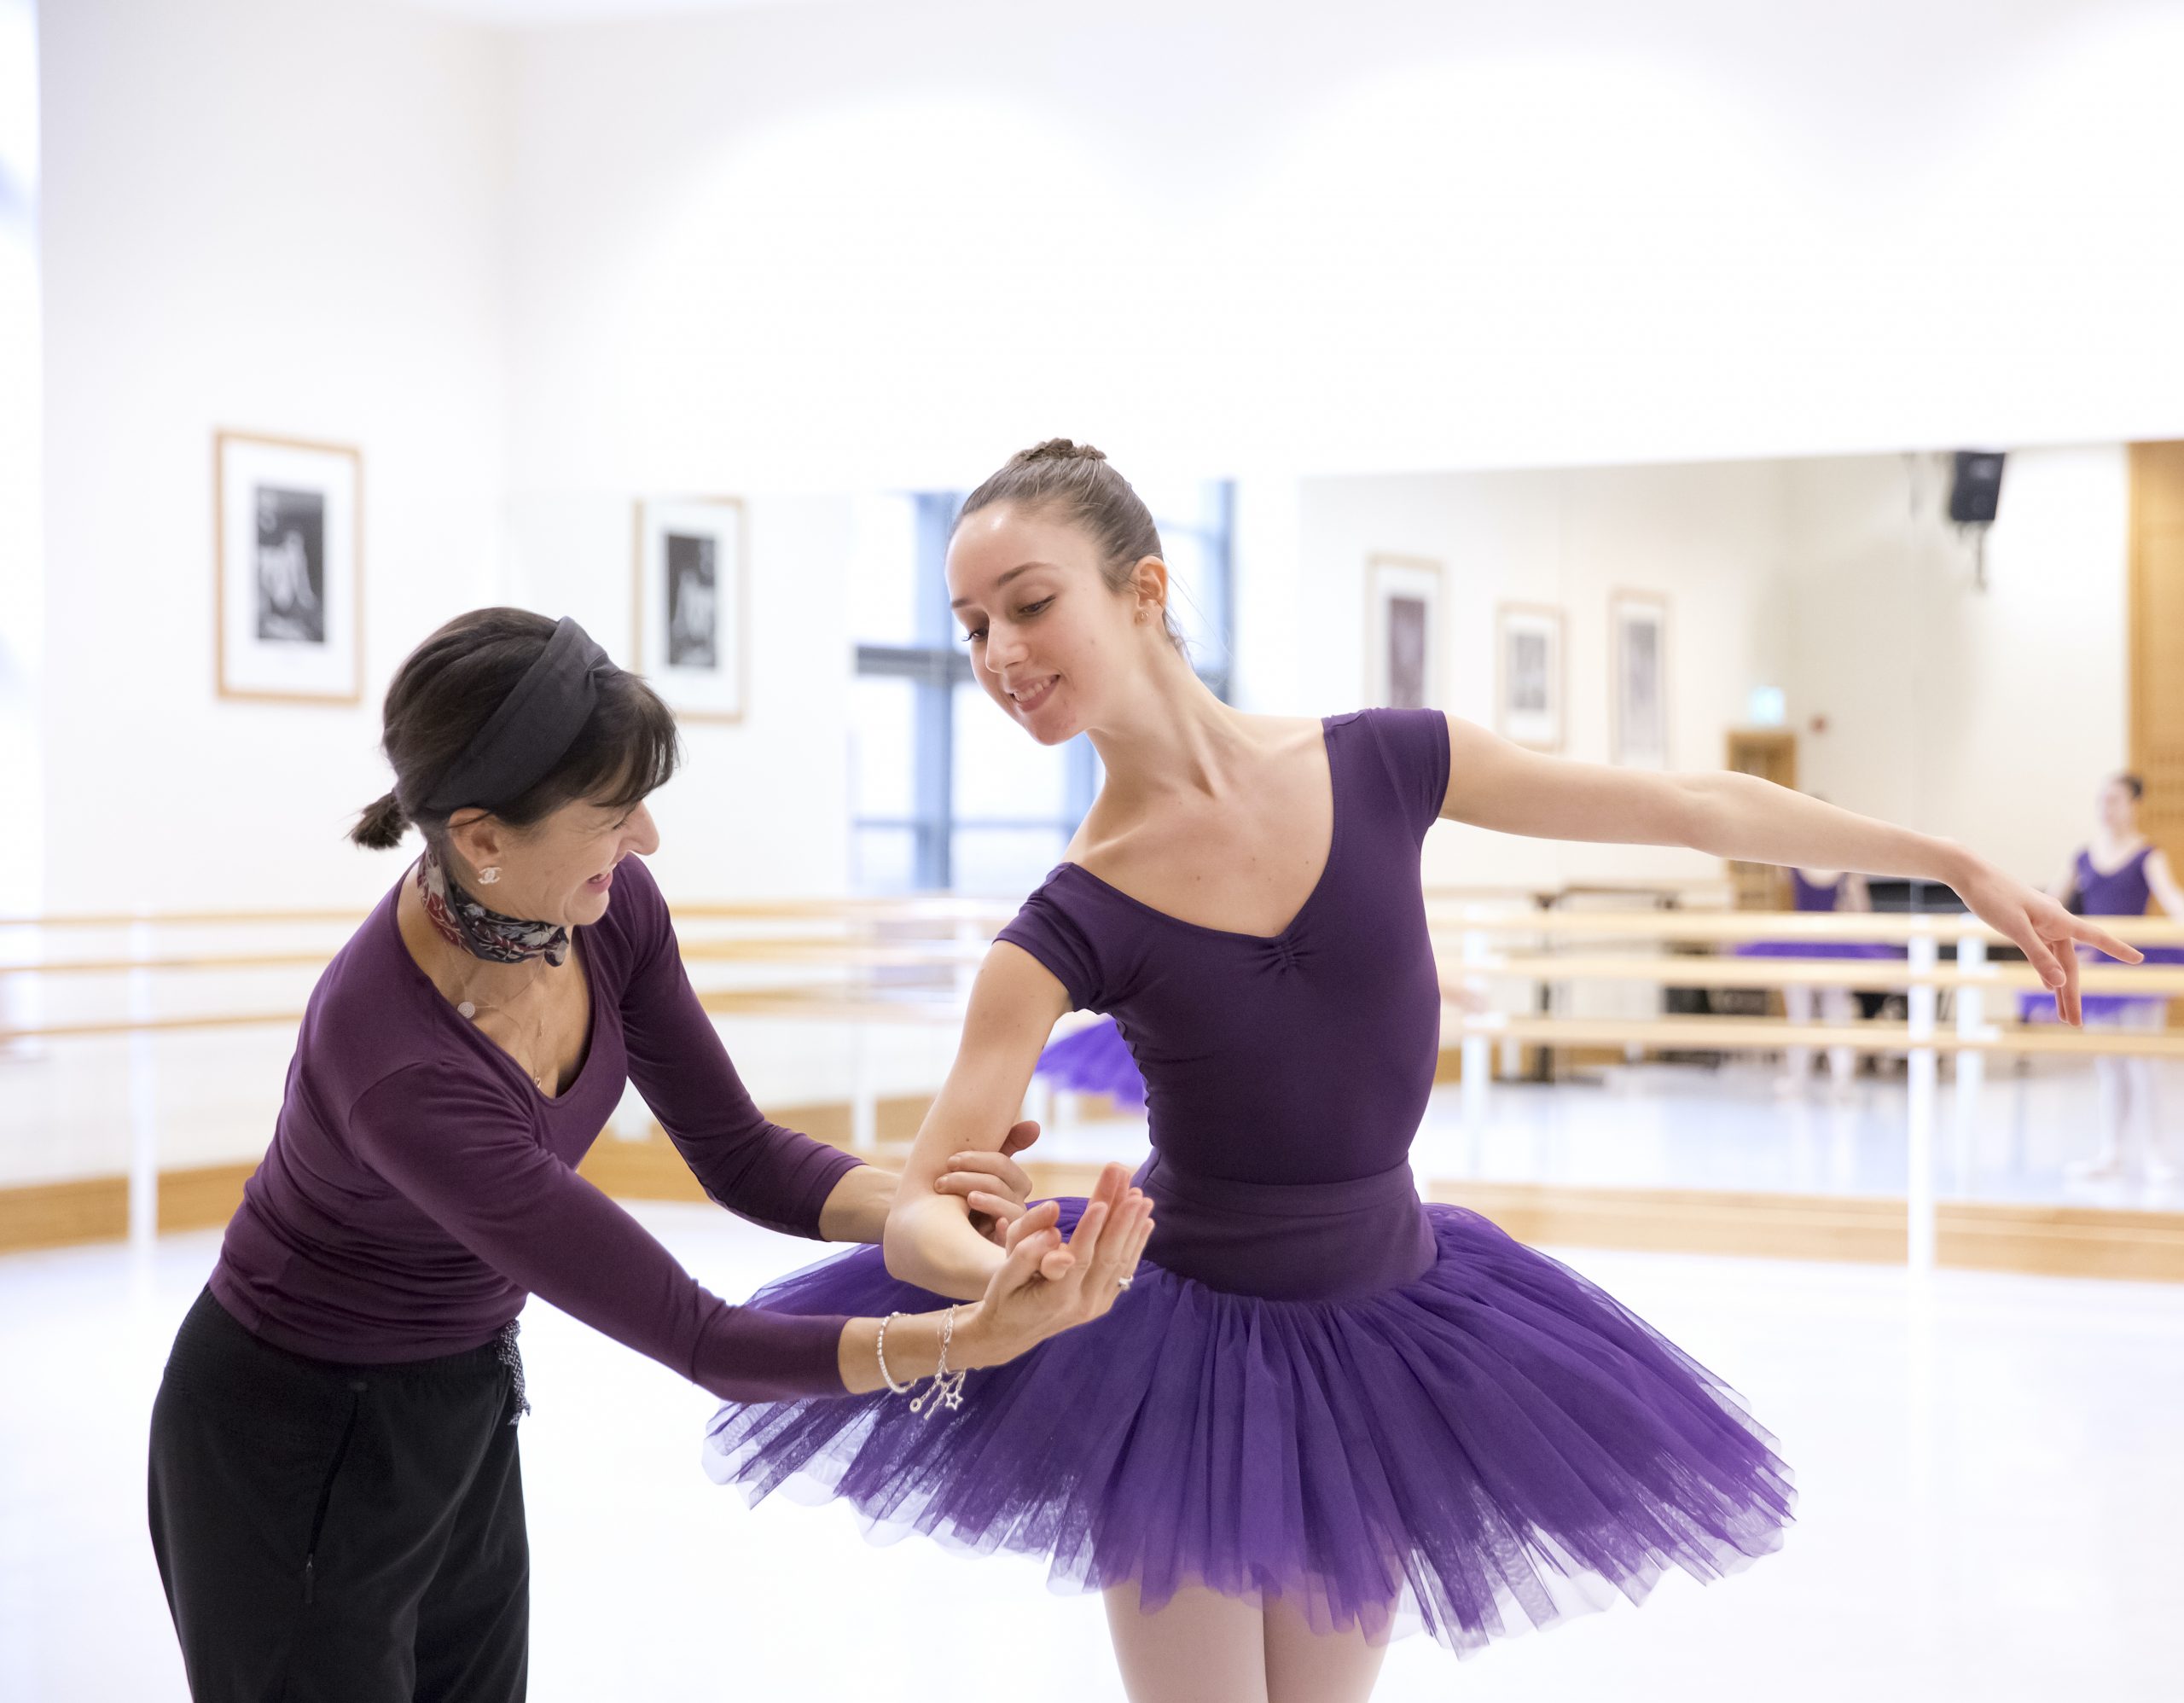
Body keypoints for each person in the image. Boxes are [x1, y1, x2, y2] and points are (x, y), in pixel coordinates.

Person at [703, 442, 2135, 1702]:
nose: (1000, 652)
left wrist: (1950, 864)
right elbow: (924, 1205)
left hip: (1384, 1325)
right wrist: (988, 1254)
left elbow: (1693, 804)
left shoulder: (1394, 761)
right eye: (969, 628)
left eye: (1030, 603)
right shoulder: (1064, 924)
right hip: (1185, 1351)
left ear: (1142, 590)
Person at [146, 607, 1152, 1702]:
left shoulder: (605, 909)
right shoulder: (402, 1069)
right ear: (482, 839)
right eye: (616, 812)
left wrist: (930, 1205)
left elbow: (741, 1153)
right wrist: (962, 1337)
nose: (648, 841)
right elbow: (700, 1335)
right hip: (291, 1441)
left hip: (460, 1403)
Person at [2018, 773, 2183, 1183]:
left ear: (2134, 805)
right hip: (2101, 970)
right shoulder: (2084, 857)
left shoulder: (2149, 855)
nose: (2107, 808)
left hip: (2140, 967)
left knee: (2144, 1065)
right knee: (2110, 1065)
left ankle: (2156, 1155)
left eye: (2115, 800)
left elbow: (2173, 900)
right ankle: (2111, 1153)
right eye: (2102, 800)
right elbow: (2050, 904)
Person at [1734, 844, 1897, 1096]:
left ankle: (1804, 1077)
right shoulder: (1846, 867)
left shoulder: (1790, 860)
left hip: (1804, 941)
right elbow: (1861, 910)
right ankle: (1839, 1079)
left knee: (1803, 1014)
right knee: (1836, 1012)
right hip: (1830, 942)